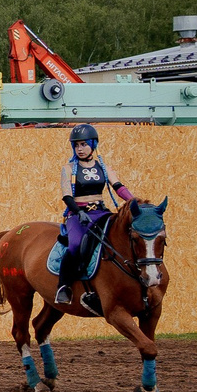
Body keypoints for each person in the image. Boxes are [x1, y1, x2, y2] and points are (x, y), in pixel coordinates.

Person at [51, 123, 133, 310]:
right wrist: (79, 212)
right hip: (77, 215)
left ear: (93, 145)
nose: (80, 149)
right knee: (75, 245)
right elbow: (66, 196)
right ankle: (63, 286)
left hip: (101, 213)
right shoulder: (69, 168)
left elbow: (118, 187)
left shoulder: (103, 167)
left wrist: (134, 201)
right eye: (77, 145)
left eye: (84, 144)